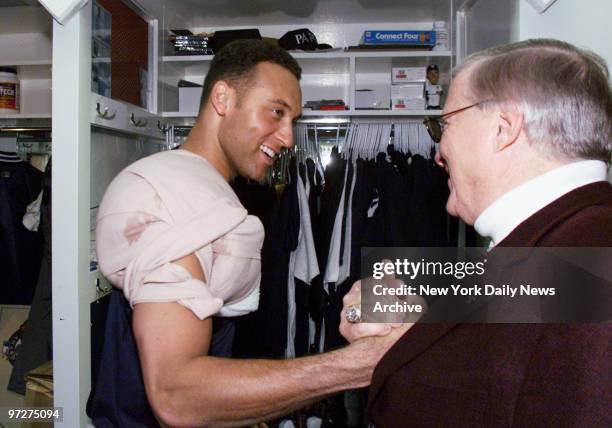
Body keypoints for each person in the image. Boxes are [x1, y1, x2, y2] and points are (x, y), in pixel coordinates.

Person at [88, 39, 410, 427]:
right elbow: (176, 394)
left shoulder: (209, 190)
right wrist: (362, 363)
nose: (289, 138)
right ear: (222, 99)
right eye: (276, 112)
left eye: (293, 120)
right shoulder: (169, 196)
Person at [342, 38, 611, 426]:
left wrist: (387, 351)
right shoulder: (562, 241)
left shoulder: (594, 261)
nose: (437, 152)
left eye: (445, 124)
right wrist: (405, 323)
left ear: (503, 128)